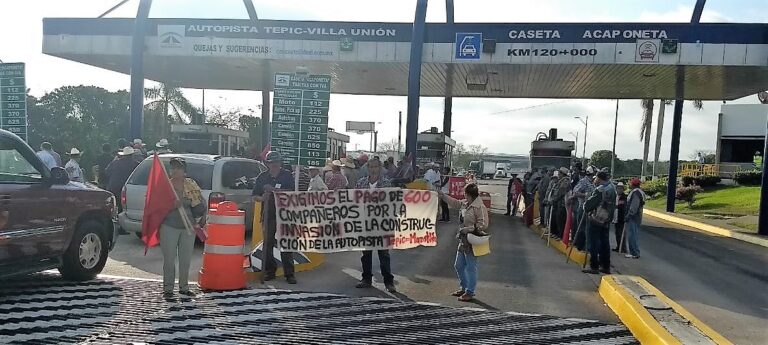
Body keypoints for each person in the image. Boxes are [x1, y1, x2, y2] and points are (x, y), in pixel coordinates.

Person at [161, 157, 206, 299]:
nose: (175, 170)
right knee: (169, 259)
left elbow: (201, 202)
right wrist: (172, 206)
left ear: (184, 171)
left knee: (185, 259)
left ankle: (184, 287)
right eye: (173, 167)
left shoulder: (191, 185)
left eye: (178, 168)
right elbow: (157, 208)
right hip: (169, 226)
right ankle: (168, 288)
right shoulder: (165, 187)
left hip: (189, 227)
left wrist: (203, 217)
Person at [438, 183, 489, 302]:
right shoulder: (466, 204)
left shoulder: (479, 207)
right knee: (459, 265)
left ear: (469, 194)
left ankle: (470, 292)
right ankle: (464, 287)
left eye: (465, 193)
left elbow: (483, 225)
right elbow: (455, 203)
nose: (463, 195)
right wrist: (443, 196)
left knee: (471, 267)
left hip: (472, 240)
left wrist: (469, 228)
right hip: (463, 239)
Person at [252, 151, 296, 284]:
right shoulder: (262, 177)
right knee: (268, 244)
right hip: (268, 214)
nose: (274, 165)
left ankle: (289, 274)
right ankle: (270, 271)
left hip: (285, 214)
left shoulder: (287, 175)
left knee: (286, 244)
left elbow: (293, 193)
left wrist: (275, 191)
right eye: (271, 163)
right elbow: (255, 196)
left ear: (280, 163)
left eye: (276, 162)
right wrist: (263, 197)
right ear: (267, 164)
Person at [354, 158, 396, 293]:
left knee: (384, 254)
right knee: (366, 253)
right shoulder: (361, 183)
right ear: (368, 168)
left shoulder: (386, 184)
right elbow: (352, 200)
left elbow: (391, 203)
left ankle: (388, 282)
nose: (373, 169)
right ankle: (366, 279)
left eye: (375, 167)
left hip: (381, 225)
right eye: (370, 167)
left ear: (380, 168)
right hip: (365, 224)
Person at [583, 171, 617, 275]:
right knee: (604, 243)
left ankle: (594, 266)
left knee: (594, 243)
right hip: (607, 219)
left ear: (599, 178)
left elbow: (588, 205)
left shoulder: (600, 189)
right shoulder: (612, 188)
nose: (594, 180)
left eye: (596, 178)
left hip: (596, 219)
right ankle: (605, 266)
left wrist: (586, 203)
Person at [105, 147, 141, 213]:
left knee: (114, 206)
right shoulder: (136, 164)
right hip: (126, 189)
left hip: (113, 188)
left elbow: (107, 172)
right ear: (132, 155)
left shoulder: (115, 163)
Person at [572, 166, 596, 250]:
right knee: (582, 228)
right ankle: (581, 246)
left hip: (591, 209)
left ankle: (587, 247)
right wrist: (584, 195)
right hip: (583, 207)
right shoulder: (583, 182)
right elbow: (575, 192)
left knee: (589, 229)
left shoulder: (593, 182)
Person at [624, 178, 646, 259]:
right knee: (634, 234)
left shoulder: (636, 193)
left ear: (633, 184)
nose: (629, 184)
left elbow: (634, 206)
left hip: (633, 217)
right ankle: (634, 252)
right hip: (636, 217)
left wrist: (629, 215)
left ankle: (634, 253)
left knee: (632, 235)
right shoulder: (639, 192)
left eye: (630, 183)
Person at [613, 182, 628, 253]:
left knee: (621, 233)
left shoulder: (624, 197)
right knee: (617, 233)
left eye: (621, 188)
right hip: (615, 216)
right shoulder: (615, 196)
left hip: (621, 217)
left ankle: (623, 248)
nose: (619, 190)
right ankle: (618, 247)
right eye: (618, 188)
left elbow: (624, 207)